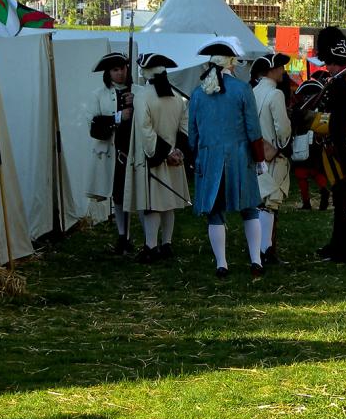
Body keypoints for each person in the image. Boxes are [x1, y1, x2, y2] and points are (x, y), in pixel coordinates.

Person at [187, 39, 267, 279]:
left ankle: (221, 264)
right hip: (240, 159)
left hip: (209, 159)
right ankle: (256, 260)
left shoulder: (197, 94)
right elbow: (253, 129)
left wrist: (196, 156)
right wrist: (260, 158)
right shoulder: (243, 90)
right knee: (250, 209)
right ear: (232, 63)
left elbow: (193, 133)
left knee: (215, 212)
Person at [123, 53, 191, 263]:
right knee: (168, 203)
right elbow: (184, 127)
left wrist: (165, 153)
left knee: (152, 204)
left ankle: (151, 247)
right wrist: (177, 151)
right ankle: (167, 244)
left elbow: (145, 129)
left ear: (145, 71)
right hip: (172, 158)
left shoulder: (143, 95)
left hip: (153, 157)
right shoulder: (177, 96)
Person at [313, 27, 346, 263]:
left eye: (331, 63)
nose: (328, 67)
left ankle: (345, 249)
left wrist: (314, 123)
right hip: (341, 147)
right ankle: (337, 244)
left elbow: (339, 121)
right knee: (340, 197)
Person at [86, 51, 135, 254]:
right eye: (115, 70)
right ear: (109, 73)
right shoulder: (99, 95)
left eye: (122, 68)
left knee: (134, 193)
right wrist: (118, 117)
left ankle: (136, 237)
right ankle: (122, 236)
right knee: (118, 195)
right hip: (112, 151)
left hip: (132, 148)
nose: (120, 73)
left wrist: (136, 105)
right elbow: (94, 125)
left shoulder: (137, 92)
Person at [251, 52, 293, 265]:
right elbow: (283, 128)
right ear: (272, 70)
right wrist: (283, 145)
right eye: (280, 68)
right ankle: (265, 250)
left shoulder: (253, 91)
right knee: (270, 203)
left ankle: (261, 249)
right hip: (273, 155)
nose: (283, 72)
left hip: (256, 154)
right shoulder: (276, 95)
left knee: (261, 202)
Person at [289, 79, 330, 211]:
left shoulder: (300, 108)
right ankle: (323, 189)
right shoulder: (323, 106)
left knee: (301, 173)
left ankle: (306, 202)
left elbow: (294, 123)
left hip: (302, 141)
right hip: (318, 144)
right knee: (317, 171)